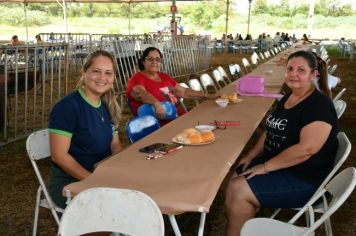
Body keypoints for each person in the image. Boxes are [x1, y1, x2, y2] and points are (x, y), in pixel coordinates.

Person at [224, 50, 338, 236]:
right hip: (281, 165)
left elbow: (306, 149)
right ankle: (246, 223)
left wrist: (265, 167)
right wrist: (251, 155)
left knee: (237, 189)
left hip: (304, 178)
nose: (293, 74)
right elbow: (271, 129)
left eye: (301, 70)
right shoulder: (288, 97)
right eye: (290, 69)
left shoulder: (319, 105)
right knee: (232, 172)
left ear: (313, 74)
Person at [48, 50, 123, 209]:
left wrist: (120, 169)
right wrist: (94, 181)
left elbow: (115, 145)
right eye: (96, 71)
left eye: (108, 73)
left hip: (102, 174)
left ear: (113, 77)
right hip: (72, 181)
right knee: (110, 208)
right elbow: (59, 156)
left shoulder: (107, 105)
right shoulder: (67, 107)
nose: (102, 78)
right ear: (84, 71)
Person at [126, 47, 219, 126]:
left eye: (158, 59)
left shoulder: (163, 76)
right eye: (150, 59)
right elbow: (140, 93)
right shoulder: (137, 78)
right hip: (162, 126)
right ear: (143, 61)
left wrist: (207, 96)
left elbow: (183, 91)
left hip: (180, 119)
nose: (154, 62)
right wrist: (156, 104)